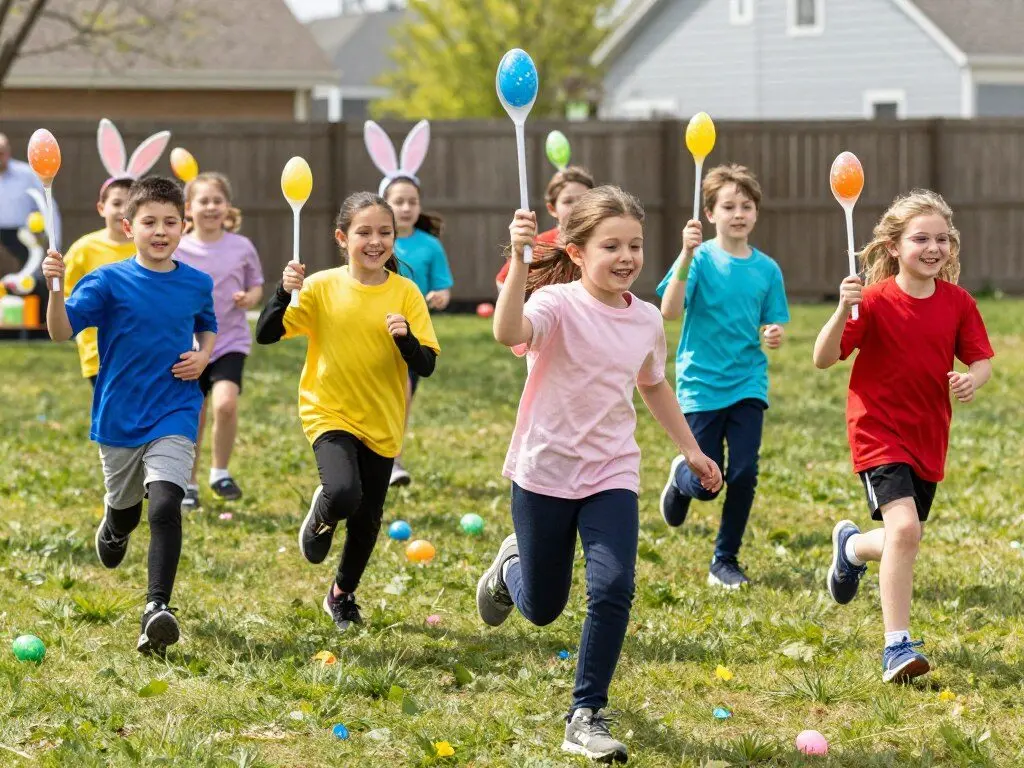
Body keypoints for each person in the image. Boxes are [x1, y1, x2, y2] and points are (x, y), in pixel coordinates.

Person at [476, 186, 722, 763]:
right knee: (542, 608)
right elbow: (509, 333)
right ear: (577, 251)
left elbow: (653, 384)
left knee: (612, 588)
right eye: (611, 245)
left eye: (635, 244)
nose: (627, 256)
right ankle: (513, 566)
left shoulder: (645, 321)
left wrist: (690, 450)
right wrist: (518, 262)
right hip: (544, 471)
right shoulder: (556, 305)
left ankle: (586, 713)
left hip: (613, 471)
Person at [813, 189, 994, 683]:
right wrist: (840, 309)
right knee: (907, 531)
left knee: (899, 535)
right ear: (894, 246)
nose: (932, 247)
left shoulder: (958, 303)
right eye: (920, 238)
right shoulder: (870, 301)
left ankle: (851, 549)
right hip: (878, 432)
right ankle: (896, 646)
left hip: (928, 436)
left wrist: (970, 380)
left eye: (942, 239)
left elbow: (981, 361)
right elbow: (824, 358)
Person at [42, 177, 217, 655]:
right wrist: (56, 290)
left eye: (169, 222)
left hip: (176, 407)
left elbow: (208, 329)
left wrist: (203, 358)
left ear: (183, 226)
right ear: (128, 225)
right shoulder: (107, 280)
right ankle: (115, 524)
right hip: (119, 414)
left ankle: (156, 608)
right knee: (127, 509)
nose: (160, 231)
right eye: (149, 222)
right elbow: (59, 332)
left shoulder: (198, 282)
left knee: (165, 505)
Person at [255, 192, 439, 632]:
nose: (375, 242)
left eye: (384, 233)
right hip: (329, 411)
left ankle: (341, 595)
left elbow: (427, 365)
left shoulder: (406, 293)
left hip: (382, 418)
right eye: (364, 233)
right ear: (343, 237)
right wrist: (283, 291)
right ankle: (322, 513)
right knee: (342, 492)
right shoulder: (320, 286)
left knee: (367, 518)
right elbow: (265, 333)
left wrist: (406, 340)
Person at [656, 164, 789, 588]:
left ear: (756, 213)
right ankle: (681, 479)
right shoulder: (699, 259)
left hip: (748, 382)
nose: (738, 213)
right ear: (710, 213)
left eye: (746, 206)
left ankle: (724, 560)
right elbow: (670, 311)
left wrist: (773, 334)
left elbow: (774, 323)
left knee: (744, 472)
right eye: (728, 206)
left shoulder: (768, 269)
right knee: (707, 484)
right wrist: (685, 253)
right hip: (701, 385)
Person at [366, 119, 454, 487]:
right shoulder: (373, 242)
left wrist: (438, 296)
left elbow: (444, 289)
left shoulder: (430, 246)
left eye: (412, 202)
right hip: (371, 331)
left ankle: (393, 458)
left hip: (411, 336)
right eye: (398, 201)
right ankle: (364, 450)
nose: (405, 208)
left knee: (402, 393)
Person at [175, 172, 264, 508]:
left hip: (230, 341)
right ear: (188, 208)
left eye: (217, 200)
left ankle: (220, 472)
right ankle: (188, 483)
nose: (211, 207)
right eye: (203, 201)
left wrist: (249, 298)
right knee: (193, 412)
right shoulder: (178, 246)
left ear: (228, 207)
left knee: (225, 405)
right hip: (190, 344)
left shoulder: (241, 246)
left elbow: (257, 284)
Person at [63, 178, 136, 386]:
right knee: (113, 412)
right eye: (117, 203)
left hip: (142, 350)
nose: (124, 210)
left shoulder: (148, 247)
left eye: (131, 204)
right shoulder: (84, 248)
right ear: (101, 208)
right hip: (98, 352)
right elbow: (66, 294)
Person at [494, 166, 595, 291]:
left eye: (584, 200)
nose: (576, 207)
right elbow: (503, 282)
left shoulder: (605, 242)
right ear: (552, 209)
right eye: (568, 201)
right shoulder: (539, 245)